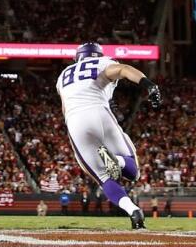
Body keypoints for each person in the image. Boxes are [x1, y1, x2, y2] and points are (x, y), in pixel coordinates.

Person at [57, 42, 161, 230]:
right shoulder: (103, 62)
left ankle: (133, 211)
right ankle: (119, 162)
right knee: (133, 172)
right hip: (100, 112)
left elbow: (65, 109)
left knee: (104, 178)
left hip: (75, 121)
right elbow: (123, 69)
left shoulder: (63, 76)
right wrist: (149, 85)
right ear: (97, 55)